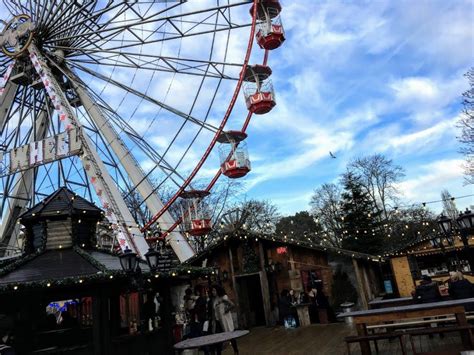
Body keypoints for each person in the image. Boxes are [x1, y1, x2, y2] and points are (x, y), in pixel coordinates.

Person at [212, 285, 239, 355]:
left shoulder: (224, 297)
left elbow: (232, 305)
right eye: (212, 290)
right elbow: (214, 310)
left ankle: (236, 351)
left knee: (231, 336)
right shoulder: (215, 299)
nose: (213, 292)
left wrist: (226, 310)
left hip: (225, 320)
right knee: (218, 338)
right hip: (218, 321)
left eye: (214, 290)